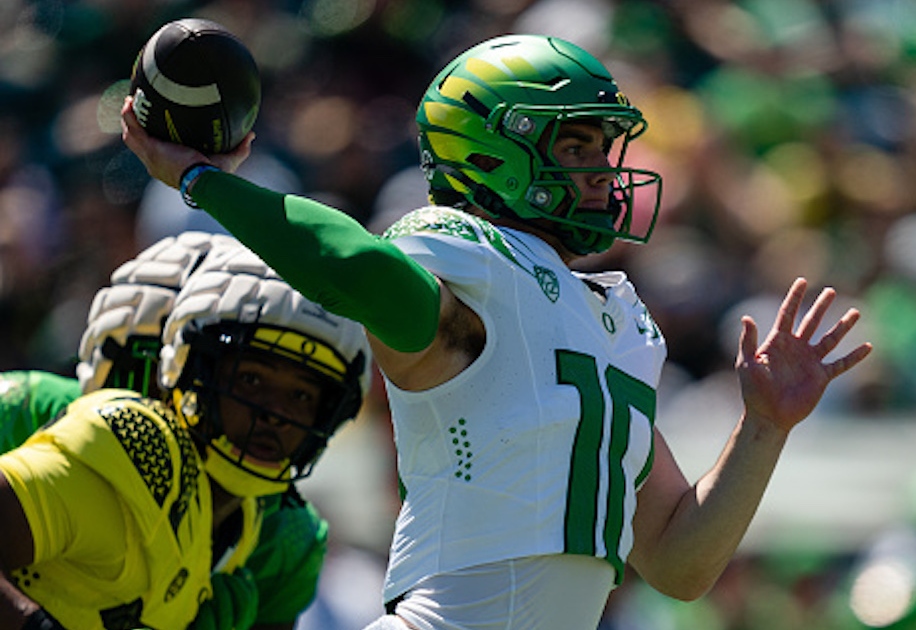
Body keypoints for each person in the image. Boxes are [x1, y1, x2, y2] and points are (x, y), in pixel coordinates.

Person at [121, 33, 872, 630]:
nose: (604, 173)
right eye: (574, 148)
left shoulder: (612, 317)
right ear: (490, 152)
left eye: (601, 149)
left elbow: (679, 563)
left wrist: (765, 426)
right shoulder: (466, 259)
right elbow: (361, 273)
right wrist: (205, 182)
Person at [0, 245, 371, 630]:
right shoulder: (80, 423)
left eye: (300, 395)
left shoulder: (269, 528)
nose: (274, 415)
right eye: (250, 379)